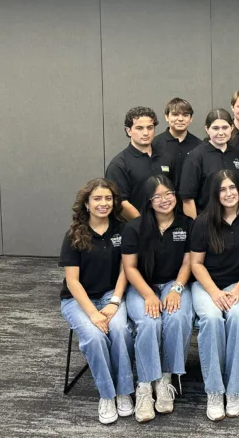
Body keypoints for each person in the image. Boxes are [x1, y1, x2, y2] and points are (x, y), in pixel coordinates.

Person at [191, 169, 239, 421]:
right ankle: (214, 391)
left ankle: (234, 389)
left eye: (233, 188)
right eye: (222, 189)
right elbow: (196, 264)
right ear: (215, 193)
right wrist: (213, 292)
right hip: (207, 285)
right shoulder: (203, 221)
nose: (229, 193)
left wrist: (238, 288)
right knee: (211, 320)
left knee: (238, 317)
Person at [59, 178, 134, 425]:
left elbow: (127, 270)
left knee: (121, 329)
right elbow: (72, 281)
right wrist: (93, 313)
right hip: (78, 300)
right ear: (87, 204)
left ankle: (124, 391)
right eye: (97, 199)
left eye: (108, 198)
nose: (104, 203)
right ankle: (106, 395)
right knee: (94, 336)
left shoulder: (123, 230)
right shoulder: (74, 234)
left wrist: (114, 302)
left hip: (111, 295)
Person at [121, 175, 193, 423]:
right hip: (143, 285)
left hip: (175, 282)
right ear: (149, 201)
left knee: (177, 318)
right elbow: (130, 268)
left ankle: (164, 379)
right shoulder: (135, 228)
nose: (165, 200)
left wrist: (177, 289)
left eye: (169, 194)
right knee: (150, 322)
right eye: (157, 196)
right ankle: (144, 386)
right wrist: (149, 294)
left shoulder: (187, 224)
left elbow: (188, 262)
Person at [106, 106, 175, 220]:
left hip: (166, 226)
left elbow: (173, 193)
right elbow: (121, 202)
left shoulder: (166, 158)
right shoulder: (119, 164)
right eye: (139, 128)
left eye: (150, 127)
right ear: (129, 131)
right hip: (135, 230)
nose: (146, 133)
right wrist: (143, 226)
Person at [180, 108, 239, 219]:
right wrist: (196, 228)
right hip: (207, 222)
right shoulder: (195, 157)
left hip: (236, 222)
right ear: (207, 129)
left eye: (225, 127)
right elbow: (188, 199)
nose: (220, 133)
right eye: (215, 128)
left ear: (232, 127)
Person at [152, 97, 202, 192]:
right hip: (162, 203)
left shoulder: (199, 146)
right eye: (175, 114)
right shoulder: (154, 144)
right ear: (166, 117)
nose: (180, 119)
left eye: (185, 115)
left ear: (191, 118)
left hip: (193, 203)